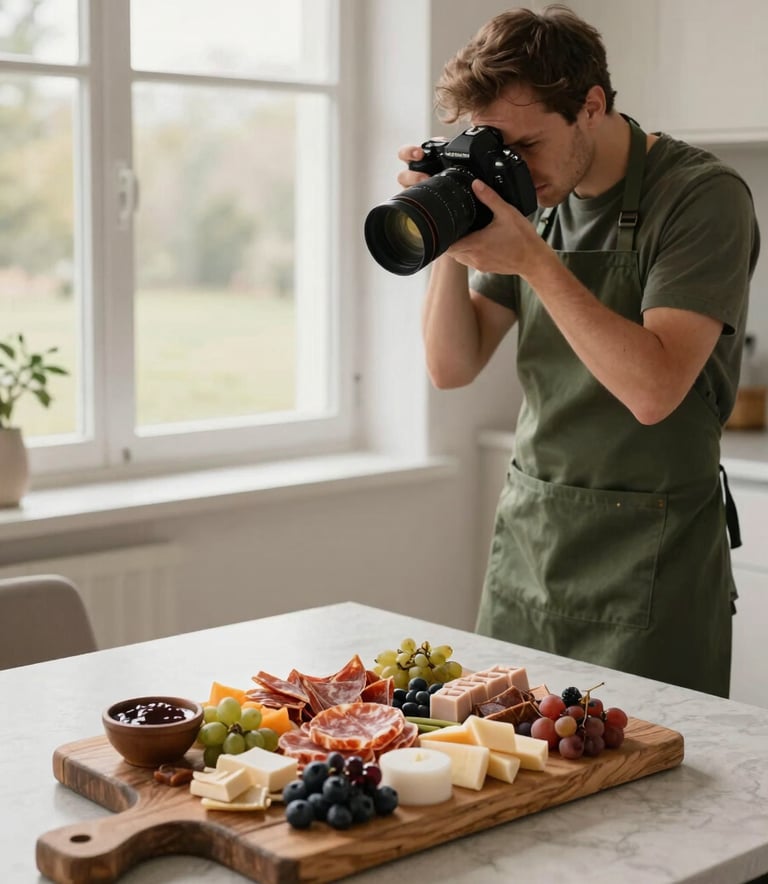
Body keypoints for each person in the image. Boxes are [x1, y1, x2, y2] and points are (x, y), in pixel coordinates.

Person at [397, 5, 760, 697]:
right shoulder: (524, 191)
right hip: (533, 541)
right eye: (497, 147)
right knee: (511, 775)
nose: (514, 167)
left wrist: (532, 258)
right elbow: (452, 365)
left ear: (590, 106)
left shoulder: (701, 197)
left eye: (527, 145)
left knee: (647, 787)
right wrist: (444, 229)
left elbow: (653, 391)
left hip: (652, 560)